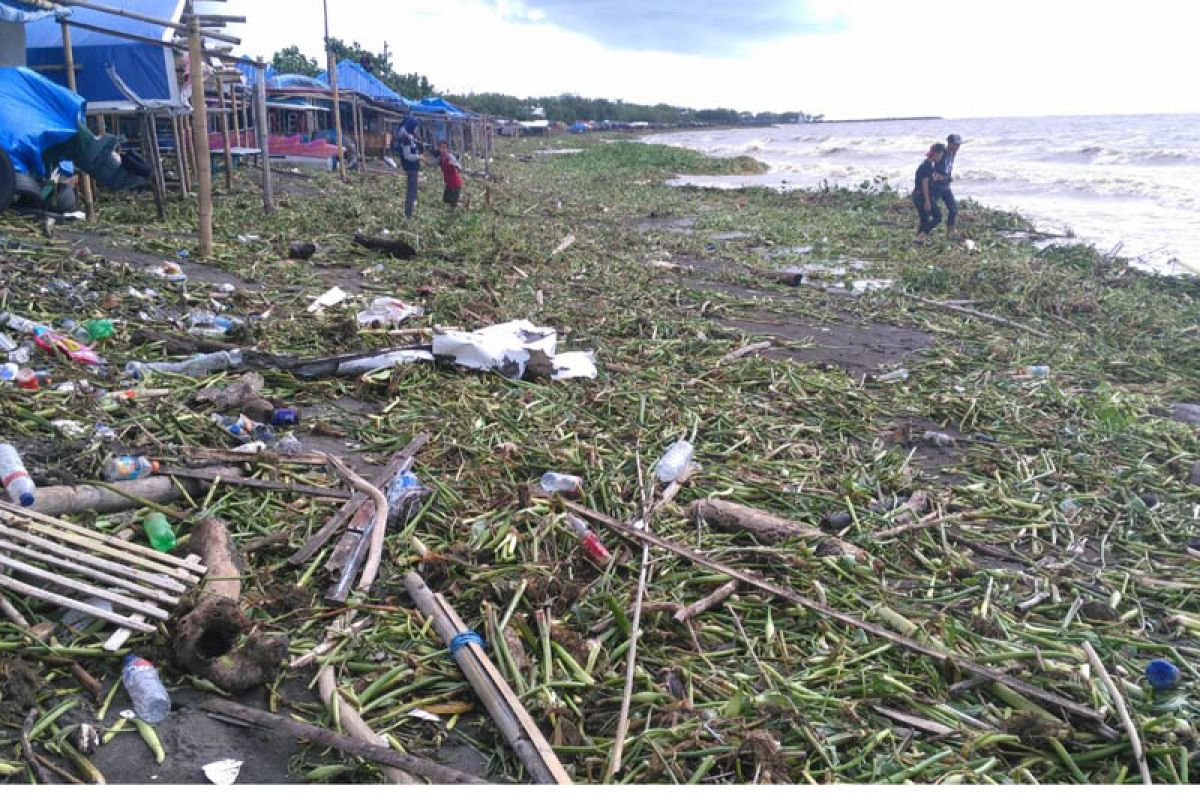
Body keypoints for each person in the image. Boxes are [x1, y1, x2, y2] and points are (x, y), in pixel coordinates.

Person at [912, 143, 946, 244]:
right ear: (936, 154)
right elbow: (924, 184)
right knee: (938, 216)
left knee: (924, 218)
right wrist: (927, 201)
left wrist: (936, 178)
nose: (941, 157)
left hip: (917, 195)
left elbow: (926, 179)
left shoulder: (926, 165)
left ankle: (919, 239)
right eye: (940, 155)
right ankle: (921, 236)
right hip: (922, 196)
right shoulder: (928, 167)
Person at [932, 133, 962, 237]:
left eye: (959, 145)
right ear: (949, 144)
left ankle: (950, 233)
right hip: (936, 186)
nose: (958, 147)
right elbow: (932, 166)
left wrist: (948, 177)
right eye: (956, 145)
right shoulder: (942, 153)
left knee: (953, 209)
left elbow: (948, 168)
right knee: (930, 210)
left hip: (945, 187)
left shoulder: (953, 153)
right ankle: (923, 232)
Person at [397, 116, 422, 218]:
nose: (417, 129)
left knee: (413, 191)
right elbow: (407, 156)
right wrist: (419, 157)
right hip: (410, 168)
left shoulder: (410, 137)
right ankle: (408, 215)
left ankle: (411, 212)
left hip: (414, 168)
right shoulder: (406, 139)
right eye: (416, 127)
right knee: (411, 192)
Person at [436, 140, 464, 209]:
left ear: (447, 149)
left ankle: (455, 213)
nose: (443, 150)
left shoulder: (450, 157)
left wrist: (455, 165)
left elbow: (459, 166)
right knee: (446, 200)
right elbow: (432, 163)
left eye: (445, 148)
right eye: (441, 148)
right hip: (448, 183)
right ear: (439, 149)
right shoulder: (440, 158)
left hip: (455, 183)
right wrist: (423, 159)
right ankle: (459, 204)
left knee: (453, 203)